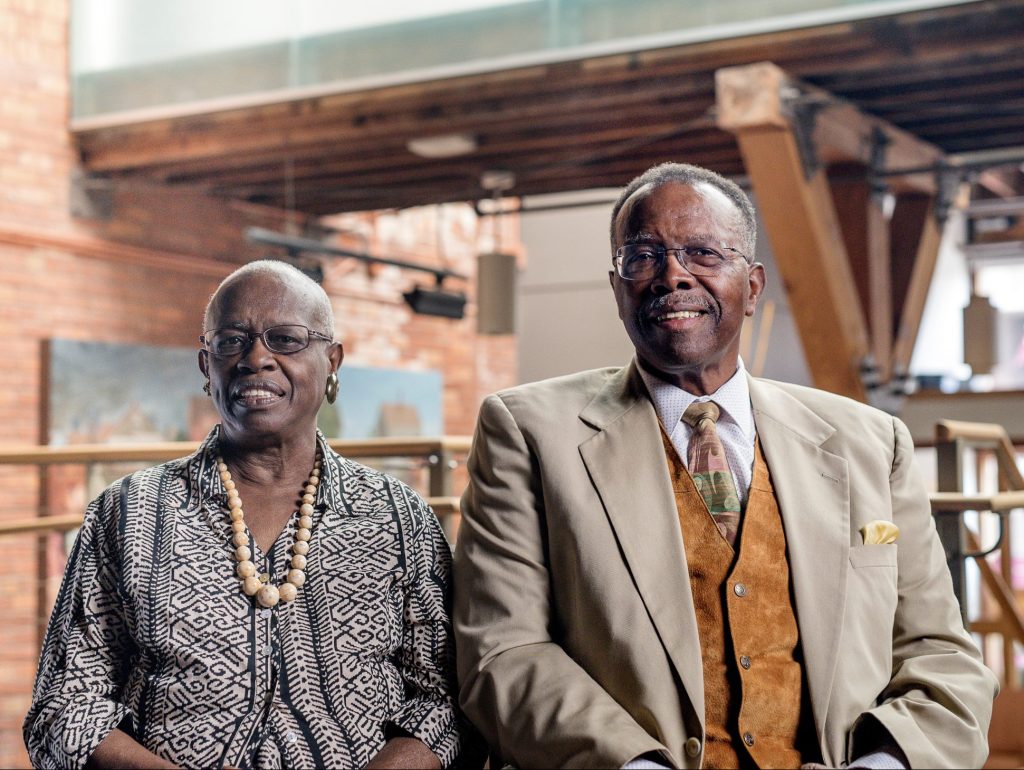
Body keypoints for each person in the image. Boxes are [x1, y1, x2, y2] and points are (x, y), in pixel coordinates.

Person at [453, 162, 998, 769]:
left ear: (754, 285)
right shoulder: (527, 432)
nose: (673, 275)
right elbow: (504, 652)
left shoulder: (871, 441)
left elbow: (939, 653)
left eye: (703, 253)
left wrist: (881, 766)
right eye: (643, 257)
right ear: (617, 289)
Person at [25, 260, 464, 769]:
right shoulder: (128, 513)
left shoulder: (397, 517)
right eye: (232, 340)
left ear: (333, 361)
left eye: (286, 338)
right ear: (205, 366)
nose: (257, 357)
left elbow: (444, 704)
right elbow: (64, 709)